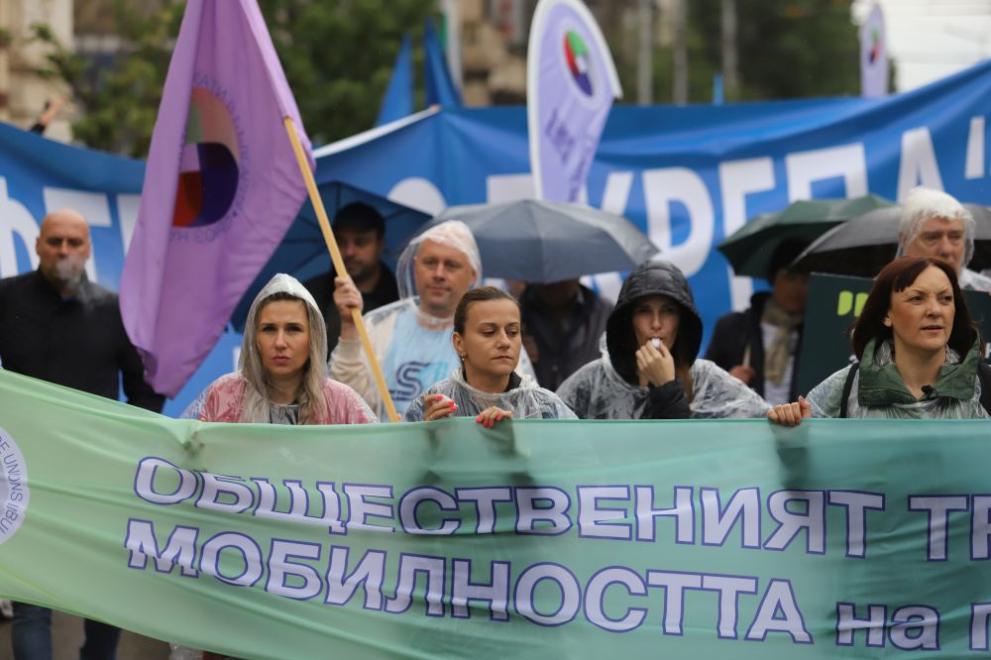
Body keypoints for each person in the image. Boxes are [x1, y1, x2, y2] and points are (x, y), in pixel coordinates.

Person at [0, 208, 164, 660]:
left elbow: (146, 389)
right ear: (37, 245)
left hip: (98, 481)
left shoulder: (116, 311)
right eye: (55, 241)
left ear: (89, 248)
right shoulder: (5, 299)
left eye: (74, 242)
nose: (65, 251)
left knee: (103, 596)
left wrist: (123, 446)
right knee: (32, 606)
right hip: (25, 477)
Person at [331, 220, 533, 419]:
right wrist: (349, 328)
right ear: (415, 266)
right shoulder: (379, 324)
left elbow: (522, 406)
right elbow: (345, 402)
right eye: (430, 262)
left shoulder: (495, 333)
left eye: (451, 265)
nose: (438, 274)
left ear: (473, 275)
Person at [768, 256, 988, 424]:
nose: (935, 310)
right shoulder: (846, 387)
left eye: (946, 299)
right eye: (917, 299)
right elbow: (802, 473)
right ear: (886, 314)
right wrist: (796, 438)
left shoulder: (985, 385)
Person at [557, 260, 770, 419]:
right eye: (644, 311)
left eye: (668, 311)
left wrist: (666, 387)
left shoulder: (707, 380)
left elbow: (685, 462)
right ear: (628, 321)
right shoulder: (591, 382)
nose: (656, 323)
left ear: (682, 321)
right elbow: (548, 435)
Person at [196, 273, 376, 424]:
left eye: (293, 329)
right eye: (269, 329)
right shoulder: (224, 394)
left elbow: (373, 455)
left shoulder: (341, 403)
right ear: (255, 337)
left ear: (313, 338)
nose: (280, 343)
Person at [405, 287, 575, 423]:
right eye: (489, 332)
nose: (504, 342)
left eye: (513, 332)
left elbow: (577, 460)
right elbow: (406, 461)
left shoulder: (545, 407)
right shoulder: (433, 405)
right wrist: (428, 438)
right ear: (459, 343)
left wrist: (519, 444)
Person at [705, 240, 809, 405]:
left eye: (805, 280)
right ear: (773, 278)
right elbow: (703, 391)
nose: (798, 287)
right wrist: (726, 383)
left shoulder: (816, 333)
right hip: (745, 426)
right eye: (790, 277)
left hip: (797, 426)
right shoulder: (733, 327)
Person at [303, 202, 398, 356]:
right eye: (340, 242)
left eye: (361, 242)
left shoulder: (400, 299)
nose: (349, 252)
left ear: (380, 244)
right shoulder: (310, 296)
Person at [519, 278, 612, 390]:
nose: (555, 284)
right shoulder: (516, 313)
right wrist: (518, 355)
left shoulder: (604, 314)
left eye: (562, 279)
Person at [897, 186, 991, 292]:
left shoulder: (985, 291)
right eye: (932, 238)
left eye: (955, 237)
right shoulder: (882, 293)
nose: (946, 249)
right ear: (905, 241)